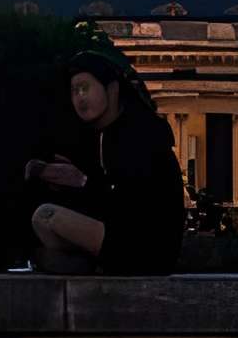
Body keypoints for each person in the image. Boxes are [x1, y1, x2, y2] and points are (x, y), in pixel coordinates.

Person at [25, 49, 185, 276]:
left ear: (112, 89)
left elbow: (127, 205)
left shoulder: (135, 134)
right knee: (41, 221)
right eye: (75, 91)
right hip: (120, 236)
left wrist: (82, 182)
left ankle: (87, 264)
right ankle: (84, 263)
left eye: (85, 88)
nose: (80, 98)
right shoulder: (106, 136)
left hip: (144, 245)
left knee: (46, 215)